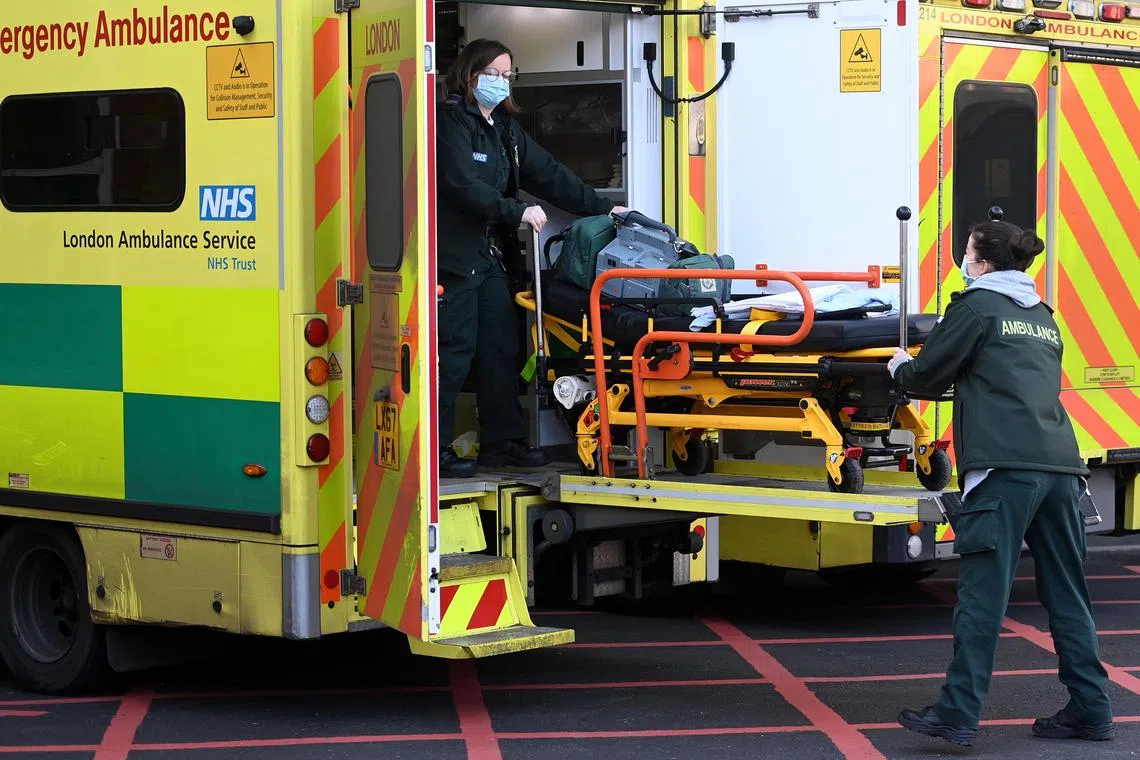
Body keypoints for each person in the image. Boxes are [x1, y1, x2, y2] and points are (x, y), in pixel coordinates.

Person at [889, 221, 1114, 747]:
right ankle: (1091, 707)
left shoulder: (975, 307)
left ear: (983, 262)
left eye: (966, 253)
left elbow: (929, 377)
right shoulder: (1043, 316)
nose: (963, 262)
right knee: (1068, 595)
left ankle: (958, 714)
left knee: (983, 598)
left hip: (1003, 471)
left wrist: (902, 368)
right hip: (1060, 467)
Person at [435, 38, 628, 478]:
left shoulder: (504, 130)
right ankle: (437, 448)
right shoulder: (451, 124)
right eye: (495, 75)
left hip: (491, 259)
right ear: (471, 76)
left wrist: (601, 207)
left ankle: (502, 442)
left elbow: (549, 174)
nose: (503, 83)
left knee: (500, 350)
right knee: (455, 351)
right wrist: (515, 209)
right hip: (455, 259)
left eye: (508, 76)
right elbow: (460, 185)